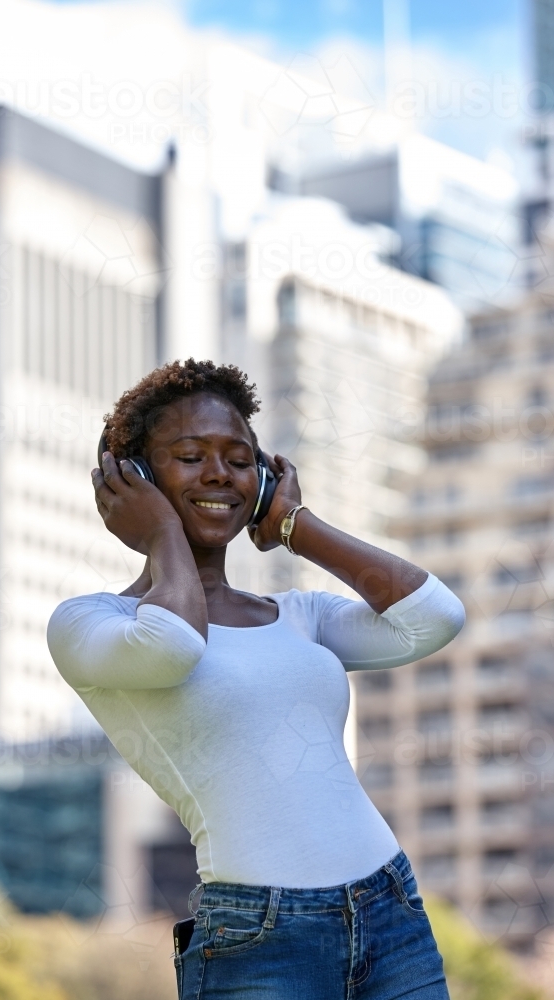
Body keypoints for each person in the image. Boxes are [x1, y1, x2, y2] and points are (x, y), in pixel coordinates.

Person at [47, 358, 465, 999]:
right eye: (190, 455)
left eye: (239, 459)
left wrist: (294, 524)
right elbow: (175, 648)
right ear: (133, 477)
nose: (219, 472)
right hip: (260, 937)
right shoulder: (92, 623)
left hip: (390, 910)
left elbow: (433, 618)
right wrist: (164, 532)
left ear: (265, 477)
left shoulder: (300, 615)